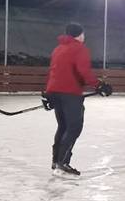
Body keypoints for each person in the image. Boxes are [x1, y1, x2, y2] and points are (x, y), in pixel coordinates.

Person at [44, 22, 106, 177]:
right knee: (74, 127)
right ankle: (62, 162)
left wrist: (49, 93)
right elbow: (83, 71)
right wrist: (99, 85)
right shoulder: (80, 48)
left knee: (63, 126)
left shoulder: (58, 48)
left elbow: (54, 71)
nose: (84, 36)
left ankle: (56, 160)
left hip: (55, 92)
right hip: (70, 94)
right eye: (83, 34)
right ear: (79, 35)